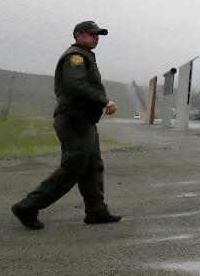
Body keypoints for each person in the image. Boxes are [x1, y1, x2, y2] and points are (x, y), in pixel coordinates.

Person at [11, 21, 120, 229]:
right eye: (92, 34)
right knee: (74, 166)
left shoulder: (86, 55)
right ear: (78, 35)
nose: (96, 37)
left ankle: (96, 211)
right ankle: (28, 206)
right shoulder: (75, 57)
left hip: (84, 120)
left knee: (92, 165)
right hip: (73, 119)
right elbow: (75, 84)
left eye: (98, 35)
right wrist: (103, 100)